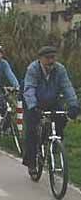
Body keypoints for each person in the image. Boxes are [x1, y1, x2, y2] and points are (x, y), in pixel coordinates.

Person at [22, 46, 80, 176]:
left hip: (53, 101)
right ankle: (31, 162)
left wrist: (73, 105)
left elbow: (67, 87)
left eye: (53, 57)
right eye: (47, 58)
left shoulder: (60, 69)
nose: (50, 61)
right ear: (40, 59)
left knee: (62, 117)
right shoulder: (33, 69)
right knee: (31, 130)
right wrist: (33, 106)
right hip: (35, 101)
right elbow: (29, 88)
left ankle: (55, 145)